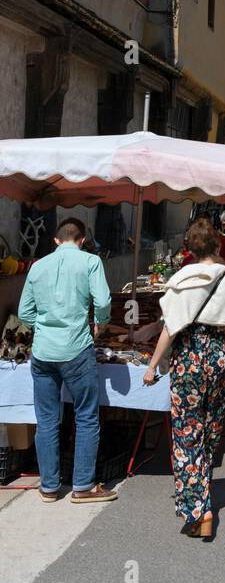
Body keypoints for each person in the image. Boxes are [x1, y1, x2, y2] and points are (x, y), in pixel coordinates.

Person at [143, 217, 225, 538]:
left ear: (188, 249)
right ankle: (202, 486)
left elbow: (170, 328)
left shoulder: (180, 280)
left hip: (188, 355)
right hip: (217, 353)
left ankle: (200, 508)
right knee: (210, 425)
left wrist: (152, 366)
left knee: (186, 431)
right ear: (216, 246)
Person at [18, 216, 116, 504]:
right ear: (83, 240)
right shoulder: (90, 262)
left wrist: (46, 326)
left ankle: (49, 486)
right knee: (86, 416)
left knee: (46, 420)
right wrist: (100, 323)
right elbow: (103, 302)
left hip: (44, 351)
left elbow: (25, 313)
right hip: (76, 348)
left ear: (56, 240)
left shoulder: (38, 266)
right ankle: (82, 486)